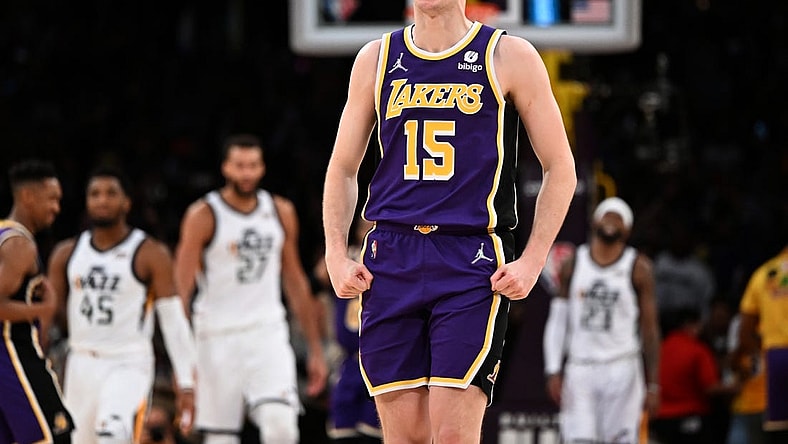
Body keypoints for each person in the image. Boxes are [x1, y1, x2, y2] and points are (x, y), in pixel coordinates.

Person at [322, 0, 578, 440]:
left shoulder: (508, 54)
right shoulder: (376, 58)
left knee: (454, 434)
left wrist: (533, 260)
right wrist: (334, 253)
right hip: (391, 254)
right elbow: (343, 168)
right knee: (405, 437)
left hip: (470, 256)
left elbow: (561, 168)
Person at [174, 134, 328, 444]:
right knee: (220, 439)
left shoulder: (280, 210)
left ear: (262, 168)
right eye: (240, 166)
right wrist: (182, 363)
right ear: (225, 168)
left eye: (253, 166)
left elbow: (295, 281)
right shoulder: (203, 215)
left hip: (266, 332)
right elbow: (181, 293)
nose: (247, 173)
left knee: (281, 427)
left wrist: (315, 350)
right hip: (216, 337)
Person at [47, 166, 197, 444]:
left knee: (113, 433)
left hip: (128, 362)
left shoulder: (150, 253)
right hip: (80, 363)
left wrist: (186, 381)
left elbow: (173, 320)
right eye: (95, 194)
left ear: (127, 202)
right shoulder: (66, 253)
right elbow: (48, 317)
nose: (102, 200)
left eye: (110, 193)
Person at [542, 197, 661, 443]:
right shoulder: (574, 263)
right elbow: (558, 320)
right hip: (580, 367)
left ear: (627, 230)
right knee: (578, 439)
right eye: (607, 214)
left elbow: (649, 329)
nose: (611, 221)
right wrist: (553, 368)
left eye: (618, 218)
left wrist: (653, 384)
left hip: (623, 366)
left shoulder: (638, 267)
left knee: (621, 439)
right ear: (595, 220)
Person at [0, 159, 74, 443]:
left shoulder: (3, 235)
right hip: (13, 355)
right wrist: (45, 308)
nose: (56, 207)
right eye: (52, 199)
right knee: (55, 435)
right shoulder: (20, 244)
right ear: (28, 196)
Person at [315, 217, 382, 444]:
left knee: (373, 431)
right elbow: (321, 274)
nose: (366, 230)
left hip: (378, 356)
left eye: (372, 226)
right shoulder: (347, 259)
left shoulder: (388, 259)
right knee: (342, 429)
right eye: (364, 226)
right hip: (348, 358)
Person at [650, 307, 734, 444]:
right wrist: (736, 387)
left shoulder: (660, 348)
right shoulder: (697, 350)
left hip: (660, 420)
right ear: (691, 325)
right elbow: (710, 387)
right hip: (691, 418)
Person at [732, 245, 788, 444]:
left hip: (776, 357)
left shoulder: (764, 273)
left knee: (778, 432)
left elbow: (745, 332)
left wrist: (756, 357)